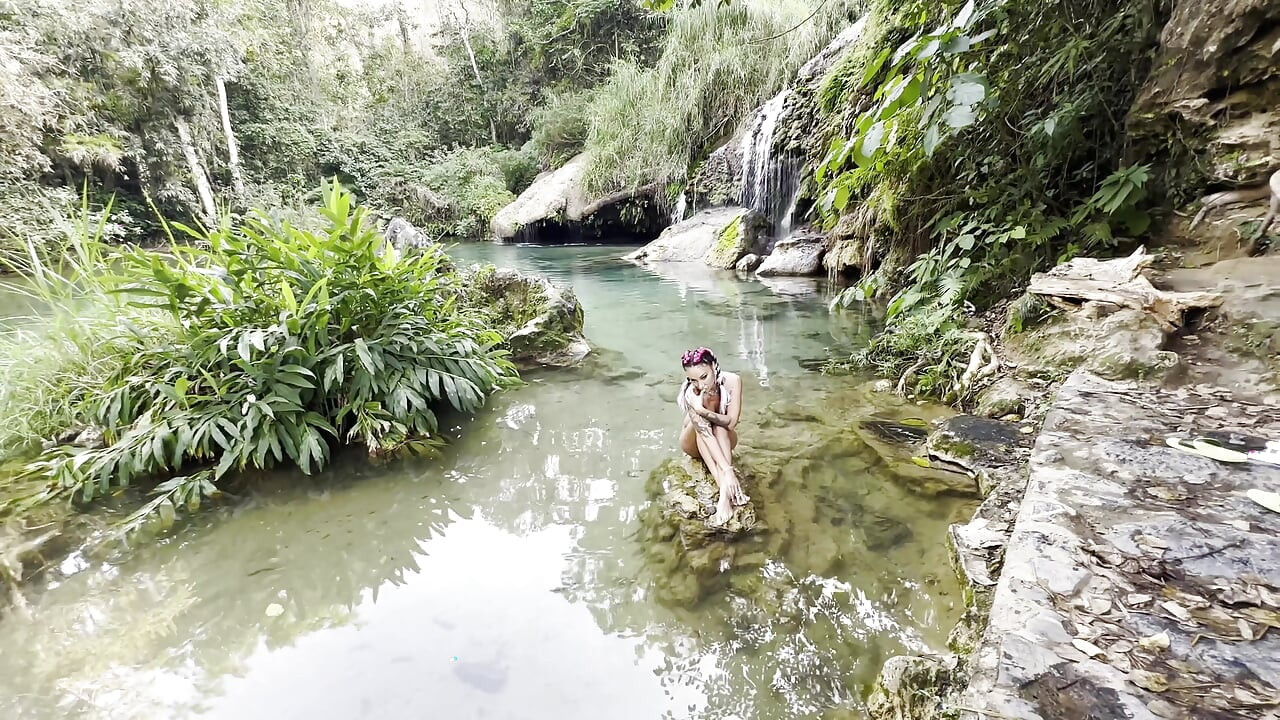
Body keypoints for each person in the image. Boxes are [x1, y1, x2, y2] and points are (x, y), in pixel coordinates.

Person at [677, 347, 749, 525]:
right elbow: (705, 434)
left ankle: (725, 494)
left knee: (721, 427)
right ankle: (725, 491)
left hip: (723, 436)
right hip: (694, 441)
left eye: (704, 377)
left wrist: (704, 411)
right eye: (693, 380)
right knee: (702, 425)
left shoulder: (733, 381)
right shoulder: (691, 393)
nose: (700, 385)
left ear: (714, 366)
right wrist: (727, 472)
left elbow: (731, 423)